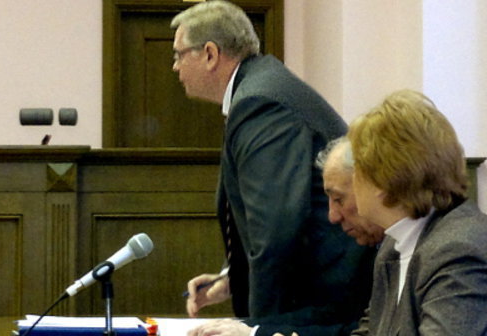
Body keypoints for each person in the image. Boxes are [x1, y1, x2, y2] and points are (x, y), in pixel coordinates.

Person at [172, 1, 374, 334]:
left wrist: (257, 329)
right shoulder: (262, 87)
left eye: (179, 54)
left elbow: (277, 228)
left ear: (210, 54)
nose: (175, 67)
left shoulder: (260, 101)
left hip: (322, 304)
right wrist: (231, 279)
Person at [188, 138, 383, 336]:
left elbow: (356, 331)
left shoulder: (400, 251)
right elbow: (334, 314)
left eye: (339, 199)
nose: (332, 216)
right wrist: (250, 327)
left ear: (378, 190)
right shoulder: (374, 246)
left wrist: (254, 333)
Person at [346, 89, 487, 335]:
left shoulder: (458, 250)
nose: (352, 178)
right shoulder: (395, 244)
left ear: (381, 181)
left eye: (356, 166)